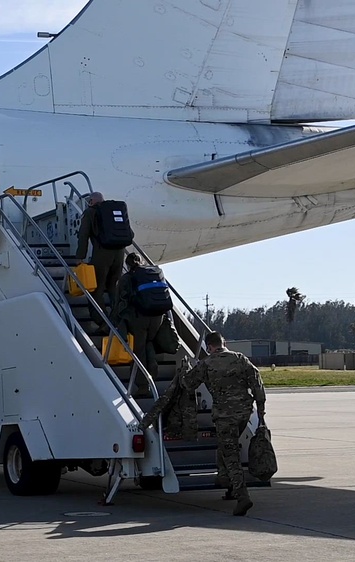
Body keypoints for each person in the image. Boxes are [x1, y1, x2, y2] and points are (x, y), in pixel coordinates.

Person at [144, 331, 266, 516]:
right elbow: (257, 383)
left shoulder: (207, 363)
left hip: (225, 416)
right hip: (244, 413)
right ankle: (224, 480)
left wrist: (184, 370)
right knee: (226, 446)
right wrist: (261, 410)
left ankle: (242, 497)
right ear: (223, 343)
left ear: (209, 347)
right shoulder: (241, 358)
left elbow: (188, 384)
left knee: (230, 454)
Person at [113, 253, 165, 386]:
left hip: (138, 317)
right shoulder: (153, 274)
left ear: (127, 265)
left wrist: (114, 321)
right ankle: (152, 365)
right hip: (157, 316)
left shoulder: (126, 278)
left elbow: (118, 301)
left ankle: (142, 385)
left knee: (138, 350)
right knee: (149, 341)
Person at [75, 192, 125, 329]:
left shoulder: (91, 212)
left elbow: (83, 235)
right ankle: (120, 320)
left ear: (91, 201)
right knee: (114, 288)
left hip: (102, 254)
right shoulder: (115, 210)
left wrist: (80, 256)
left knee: (96, 288)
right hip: (119, 254)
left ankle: (102, 321)